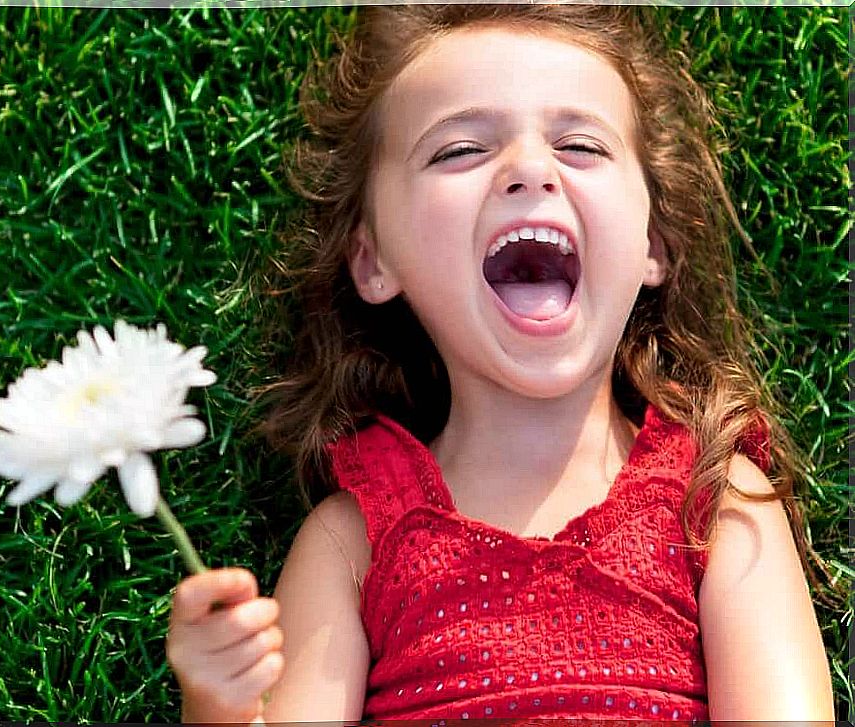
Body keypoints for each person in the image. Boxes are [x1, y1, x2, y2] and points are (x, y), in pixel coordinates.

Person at [165, 5, 835, 723]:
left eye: (579, 145)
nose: (528, 169)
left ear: (654, 242)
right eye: (457, 151)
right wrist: (220, 702)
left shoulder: (712, 499)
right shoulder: (352, 537)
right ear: (372, 258)